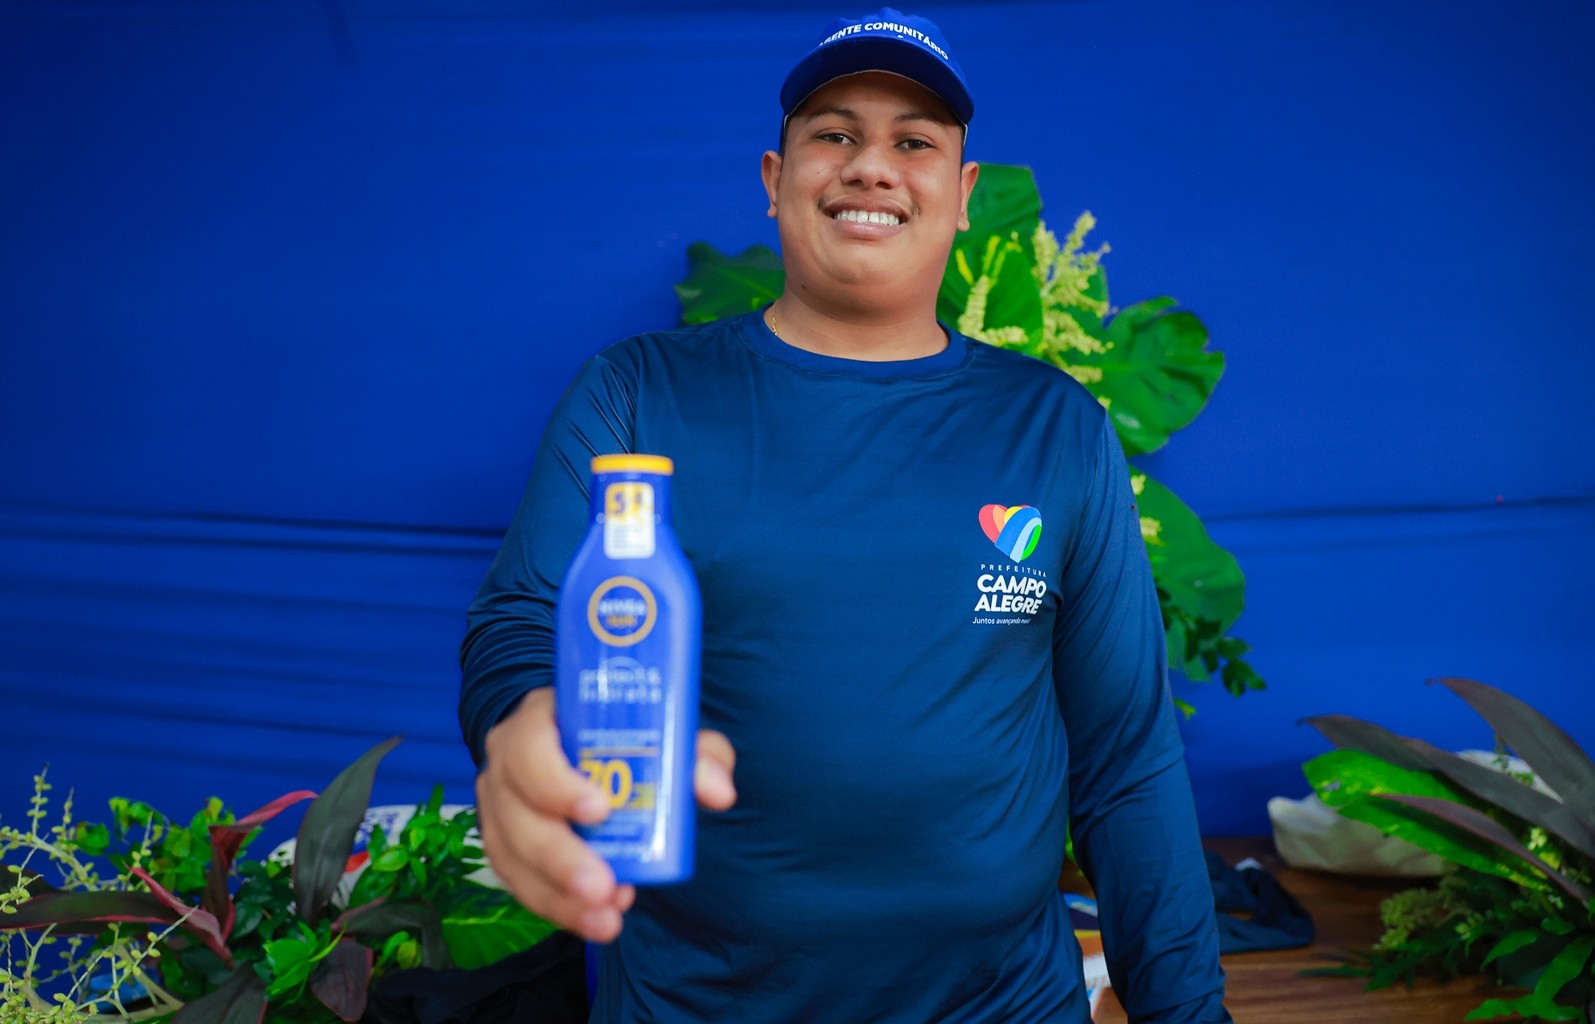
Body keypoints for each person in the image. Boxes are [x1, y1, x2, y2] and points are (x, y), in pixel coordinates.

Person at [460, 8, 1231, 1022]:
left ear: (963, 194)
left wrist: (1185, 1013)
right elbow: (521, 620)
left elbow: (1124, 759)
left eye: (912, 142)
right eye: (834, 134)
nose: (870, 166)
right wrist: (527, 720)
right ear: (775, 177)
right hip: (699, 1003)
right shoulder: (636, 394)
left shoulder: (1055, 427)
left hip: (999, 1003)